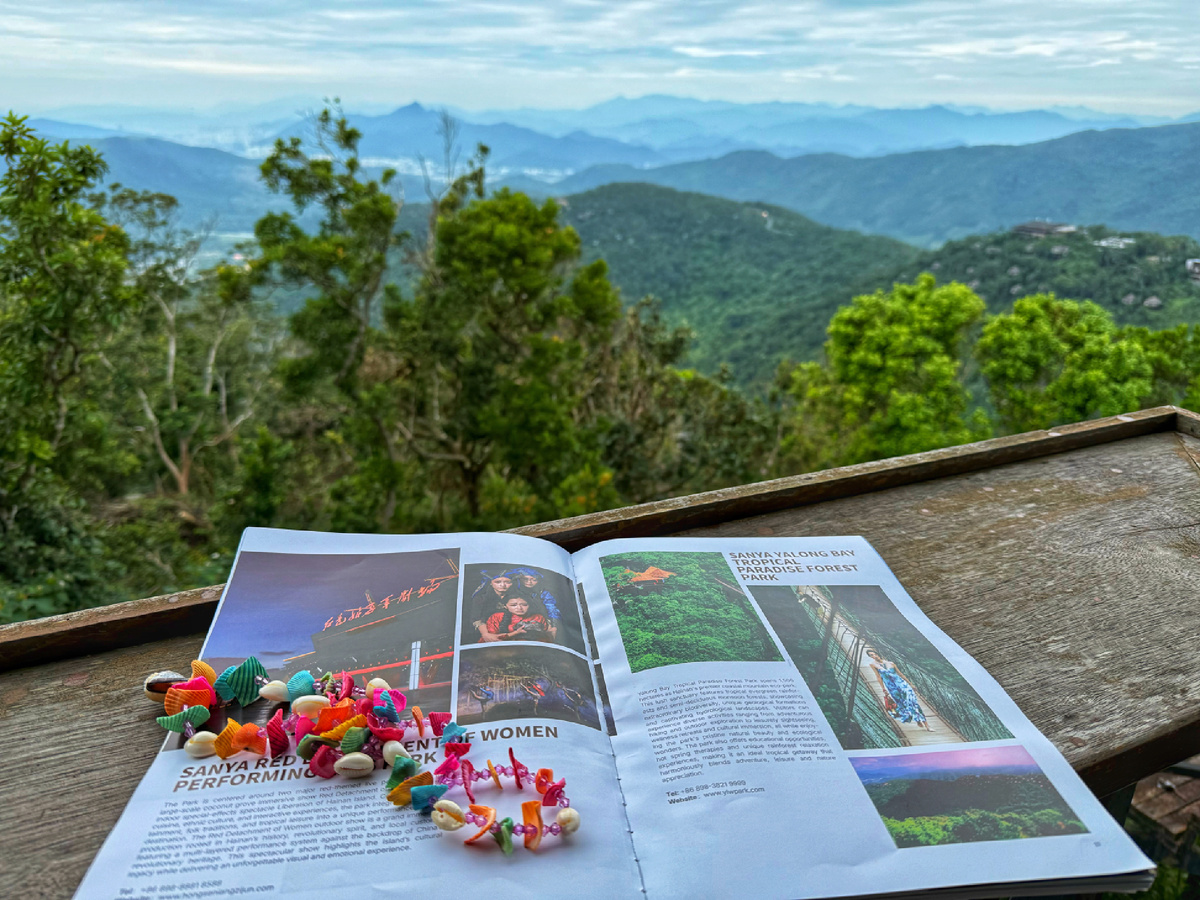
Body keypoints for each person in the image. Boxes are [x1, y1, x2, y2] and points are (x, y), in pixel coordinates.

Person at [866, 649, 929, 729]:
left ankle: (927, 725)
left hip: (902, 685)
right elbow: (878, 677)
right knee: (903, 704)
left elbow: (901, 674)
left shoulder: (891, 663)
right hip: (892, 688)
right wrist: (883, 689)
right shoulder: (873, 665)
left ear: (877, 653)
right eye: (871, 655)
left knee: (912, 701)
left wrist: (911, 684)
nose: (873, 656)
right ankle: (917, 720)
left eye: (874, 654)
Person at [507, 567, 561, 642]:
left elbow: (551, 608)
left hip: (539, 621)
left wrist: (554, 626)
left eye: (534, 579)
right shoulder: (512, 590)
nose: (529, 582)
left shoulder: (543, 593)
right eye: (525, 579)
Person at [469, 571, 517, 643]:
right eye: (498, 582)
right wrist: (486, 634)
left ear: (512, 583)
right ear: (491, 583)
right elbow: (476, 618)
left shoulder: (518, 597)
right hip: (487, 633)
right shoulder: (480, 599)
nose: (502, 585)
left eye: (507, 582)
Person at [486, 596, 551, 641]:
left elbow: (543, 637)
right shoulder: (497, 617)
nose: (519, 608)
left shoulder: (538, 617)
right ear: (505, 606)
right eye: (513, 605)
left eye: (524, 604)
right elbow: (492, 638)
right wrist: (516, 633)